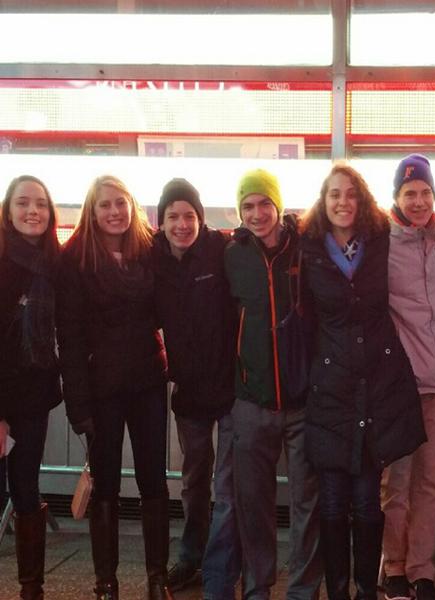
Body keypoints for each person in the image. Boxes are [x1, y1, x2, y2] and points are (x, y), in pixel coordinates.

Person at [300, 163, 426, 600]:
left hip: (376, 387)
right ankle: (338, 591)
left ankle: (365, 590)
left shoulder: (381, 241)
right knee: (333, 501)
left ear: (362, 199)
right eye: (334, 194)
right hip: (330, 388)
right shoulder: (309, 248)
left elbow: (426, 231)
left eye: (350, 194)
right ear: (323, 200)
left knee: (369, 501)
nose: (342, 202)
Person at [56, 175, 172, 600]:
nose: (114, 212)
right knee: (105, 484)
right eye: (105, 205)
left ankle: (157, 579)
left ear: (132, 205)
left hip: (147, 381)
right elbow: (67, 336)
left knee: (153, 481)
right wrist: (77, 403)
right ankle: (106, 583)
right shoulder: (74, 259)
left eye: (120, 203)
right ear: (92, 210)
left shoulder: (150, 249)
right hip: (99, 387)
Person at [224, 168, 322, 600]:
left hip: (303, 402)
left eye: (265, 203)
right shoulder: (231, 254)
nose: (257, 213)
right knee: (253, 504)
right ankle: (258, 587)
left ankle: (302, 590)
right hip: (251, 401)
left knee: (308, 504)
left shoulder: (305, 245)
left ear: (279, 206)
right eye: (248, 205)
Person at [150, 178, 242, 598]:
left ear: (200, 219)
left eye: (189, 215)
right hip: (187, 393)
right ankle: (191, 556)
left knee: (227, 484)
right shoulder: (153, 259)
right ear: (161, 221)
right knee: (194, 480)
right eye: (173, 216)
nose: (182, 224)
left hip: (229, 388)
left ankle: (222, 563)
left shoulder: (220, 250)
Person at [382, 153, 435, 600]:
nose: (418, 200)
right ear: (396, 197)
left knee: (432, 481)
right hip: (402, 385)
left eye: (425, 193)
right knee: (396, 483)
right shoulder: (383, 243)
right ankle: (393, 565)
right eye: (410, 193)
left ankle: (421, 568)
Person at [0, 175, 62, 599]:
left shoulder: (55, 262)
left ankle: (30, 588)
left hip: (34, 395)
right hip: (2, 396)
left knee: (26, 486)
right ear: (8, 210)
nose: (32, 211)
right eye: (23, 203)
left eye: (40, 203)